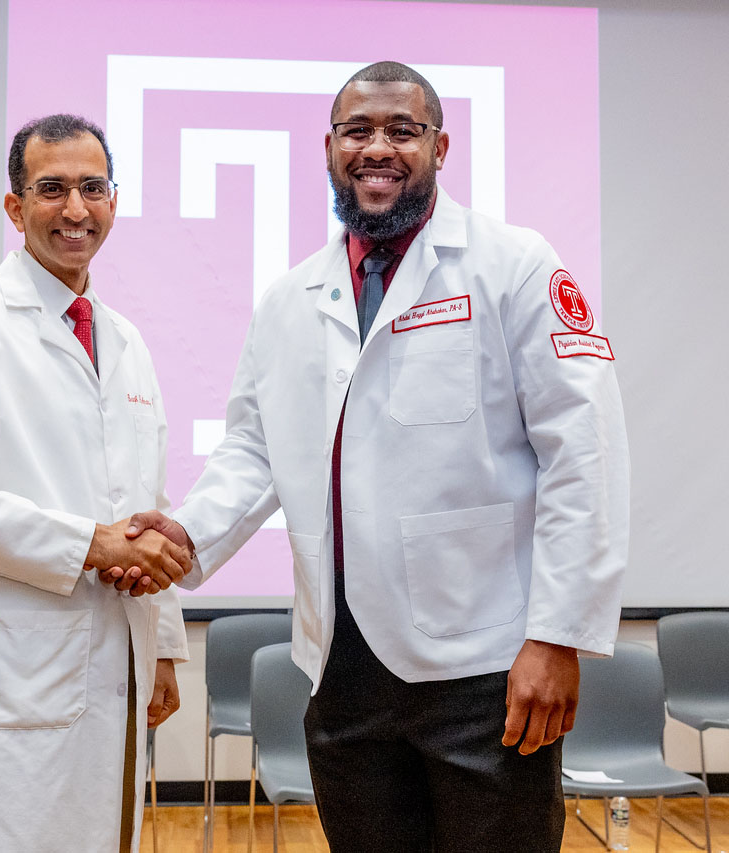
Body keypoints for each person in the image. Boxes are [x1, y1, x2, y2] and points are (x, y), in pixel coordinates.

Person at [121, 62, 629, 851]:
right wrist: (188, 533)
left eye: (402, 130)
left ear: (440, 145)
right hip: (342, 666)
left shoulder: (513, 264)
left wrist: (557, 634)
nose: (377, 148)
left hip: (484, 665)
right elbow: (255, 447)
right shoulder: (290, 299)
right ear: (328, 147)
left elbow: (583, 453)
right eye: (357, 131)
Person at [0, 114, 191, 853]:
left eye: (92, 187)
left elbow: (147, 503)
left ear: (114, 199)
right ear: (16, 207)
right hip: (6, 677)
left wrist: (167, 645)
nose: (75, 209)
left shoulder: (125, 340)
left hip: (117, 653)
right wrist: (84, 542)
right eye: (52, 189)